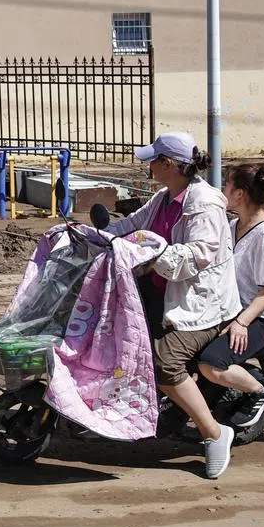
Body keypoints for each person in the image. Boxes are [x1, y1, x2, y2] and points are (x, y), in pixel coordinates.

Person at [105, 131, 242, 479]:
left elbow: (198, 256)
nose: (148, 166)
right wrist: (98, 236)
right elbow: (132, 227)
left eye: (152, 161)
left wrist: (152, 251)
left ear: (168, 164)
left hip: (200, 305)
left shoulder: (205, 204)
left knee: (165, 363)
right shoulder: (164, 198)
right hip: (157, 292)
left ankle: (214, 433)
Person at [198, 163, 264, 428]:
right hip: (230, 307)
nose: (221, 189)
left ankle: (259, 392)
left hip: (259, 315)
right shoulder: (233, 224)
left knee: (212, 365)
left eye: (226, 184)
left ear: (239, 194)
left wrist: (241, 322)